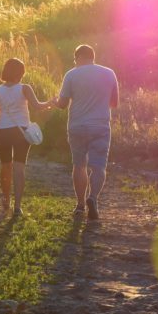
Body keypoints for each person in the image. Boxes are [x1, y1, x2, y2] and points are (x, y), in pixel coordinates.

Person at [52, 45, 119, 220]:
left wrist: (54, 101)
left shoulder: (71, 75)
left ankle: (80, 205)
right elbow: (114, 103)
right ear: (92, 57)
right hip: (100, 127)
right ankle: (93, 198)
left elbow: (63, 104)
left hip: (77, 126)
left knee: (79, 165)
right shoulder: (109, 73)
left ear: (79, 57)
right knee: (99, 166)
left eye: (75, 60)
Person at [0, 58, 52, 216]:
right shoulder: (25, 88)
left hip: (1, 132)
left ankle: (6, 199)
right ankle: (18, 207)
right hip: (21, 132)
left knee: (6, 167)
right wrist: (51, 103)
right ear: (20, 73)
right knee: (19, 168)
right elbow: (37, 106)